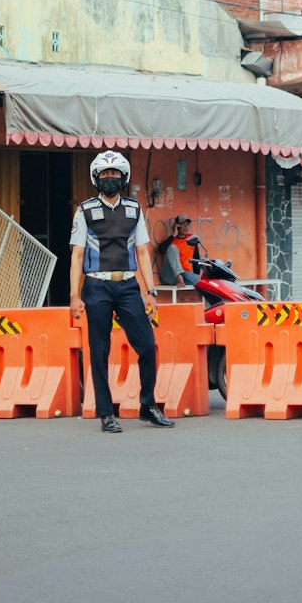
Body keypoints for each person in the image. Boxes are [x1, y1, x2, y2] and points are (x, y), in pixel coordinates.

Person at [69, 151, 175, 430]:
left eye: (115, 174)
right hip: (96, 286)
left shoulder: (134, 210)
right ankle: (106, 414)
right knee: (99, 350)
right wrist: (74, 296)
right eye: (104, 175)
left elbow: (142, 250)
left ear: (123, 178)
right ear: (96, 179)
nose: (110, 179)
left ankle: (148, 405)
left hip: (128, 286)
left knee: (147, 345)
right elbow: (77, 255)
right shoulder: (85, 210)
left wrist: (150, 291)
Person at [156, 215, 202, 288]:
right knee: (172, 248)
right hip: (170, 276)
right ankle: (179, 277)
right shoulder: (169, 240)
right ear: (177, 226)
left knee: (202, 281)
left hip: (186, 276)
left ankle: (182, 278)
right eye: (183, 225)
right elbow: (161, 250)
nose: (186, 227)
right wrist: (174, 235)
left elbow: (196, 259)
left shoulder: (191, 239)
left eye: (187, 225)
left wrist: (196, 276)